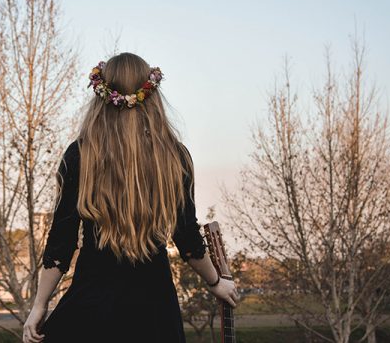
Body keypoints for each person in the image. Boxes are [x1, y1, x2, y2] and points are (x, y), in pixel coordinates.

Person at [23, 52, 239, 343]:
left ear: (101, 96)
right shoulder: (174, 156)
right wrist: (215, 282)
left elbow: (61, 242)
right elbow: (186, 237)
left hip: (92, 307)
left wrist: (39, 305)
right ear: (151, 95)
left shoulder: (80, 154)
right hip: (154, 312)